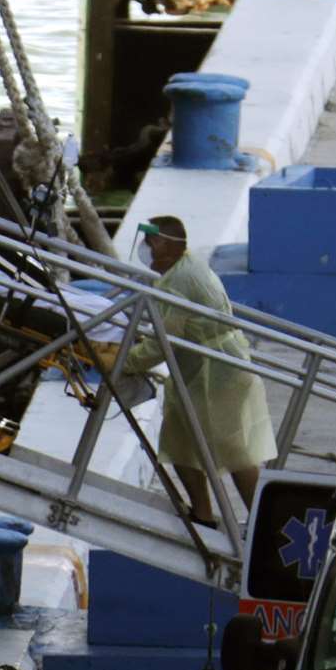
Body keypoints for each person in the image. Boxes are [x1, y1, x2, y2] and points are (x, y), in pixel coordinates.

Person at [124, 216, 276, 526]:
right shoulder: (182, 267)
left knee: (236, 453)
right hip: (203, 370)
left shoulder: (179, 282)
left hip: (217, 373)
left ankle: (264, 524)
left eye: (151, 244)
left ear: (164, 245)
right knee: (180, 441)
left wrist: (124, 362)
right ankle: (203, 514)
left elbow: (161, 343)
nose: (146, 251)